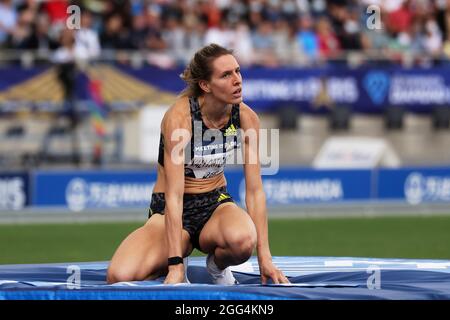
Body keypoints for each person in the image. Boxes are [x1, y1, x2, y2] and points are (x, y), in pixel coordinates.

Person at [107, 43, 289, 285]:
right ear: (205, 85)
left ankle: (216, 268)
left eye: (237, 71)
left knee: (243, 240)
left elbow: (255, 192)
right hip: (170, 209)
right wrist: (173, 265)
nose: (237, 80)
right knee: (120, 276)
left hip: (214, 204)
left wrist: (265, 259)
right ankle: (177, 254)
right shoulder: (179, 118)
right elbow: (174, 196)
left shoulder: (246, 118)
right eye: (226, 75)